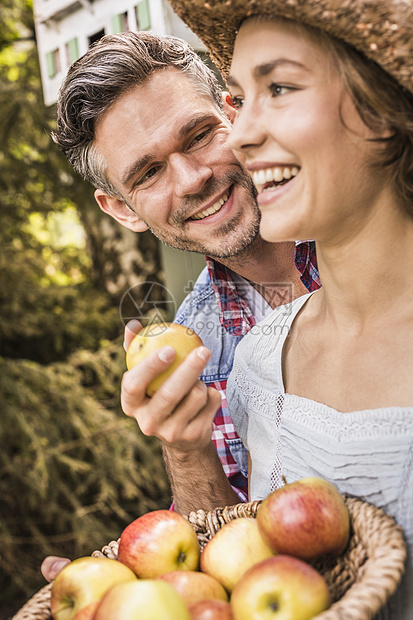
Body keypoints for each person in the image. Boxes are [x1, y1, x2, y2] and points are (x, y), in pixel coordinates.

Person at [41, 31, 321, 581]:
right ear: (122, 209)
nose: (193, 179)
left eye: (198, 135)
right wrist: (187, 447)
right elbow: (227, 555)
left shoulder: (367, 225)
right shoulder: (195, 342)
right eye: (148, 173)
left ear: (232, 110)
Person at [166, 0, 413, 618]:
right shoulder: (258, 361)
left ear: (383, 108)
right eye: (239, 98)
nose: (241, 134)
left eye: (278, 87)